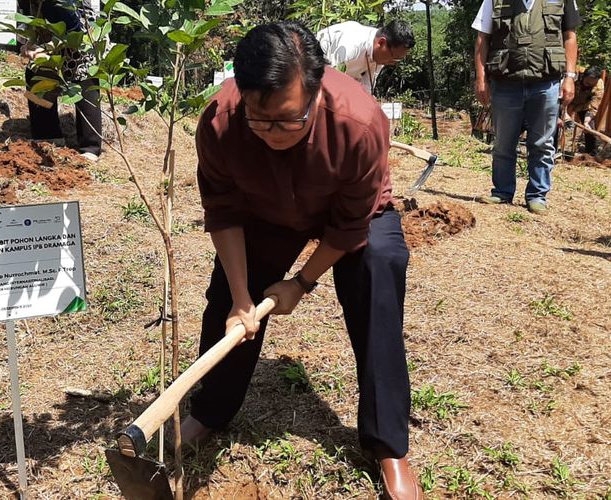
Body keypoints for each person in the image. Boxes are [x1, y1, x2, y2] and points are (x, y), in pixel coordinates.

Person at [181, 21, 422, 500]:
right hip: (264, 212)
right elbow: (224, 212)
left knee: (379, 268)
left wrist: (301, 283)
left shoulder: (360, 121)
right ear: (243, 94)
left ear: (314, 92)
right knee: (227, 300)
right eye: (260, 119)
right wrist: (243, 295)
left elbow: (351, 227)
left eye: (288, 120)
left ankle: (389, 444)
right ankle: (210, 411)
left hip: (353, 215)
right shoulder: (220, 120)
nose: (272, 133)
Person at [473, 0, 580, 214]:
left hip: (545, 82)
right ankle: (502, 192)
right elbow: (482, 38)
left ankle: (537, 196)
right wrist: (481, 79)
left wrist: (570, 77)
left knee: (542, 143)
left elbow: (570, 36)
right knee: (503, 143)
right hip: (505, 83)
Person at [18, 0, 102, 161]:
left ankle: (90, 147)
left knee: (83, 78)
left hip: (81, 34)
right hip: (50, 33)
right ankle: (48, 135)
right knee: (36, 72)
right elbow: (33, 18)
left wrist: (47, 48)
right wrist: (29, 45)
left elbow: (75, 32)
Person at [316, 19, 415, 94]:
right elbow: (330, 83)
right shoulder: (352, 46)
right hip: (316, 70)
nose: (393, 62)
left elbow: (366, 89)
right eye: (394, 57)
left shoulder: (379, 55)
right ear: (381, 42)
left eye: (398, 59)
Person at [567, 66, 605, 155]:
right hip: (566, 100)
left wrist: (586, 122)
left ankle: (590, 153)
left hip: (583, 104)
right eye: (587, 83)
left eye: (591, 85)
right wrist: (565, 113)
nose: (588, 85)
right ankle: (552, 148)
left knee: (590, 126)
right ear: (583, 76)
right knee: (557, 124)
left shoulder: (599, 85)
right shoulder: (573, 76)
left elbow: (593, 105)